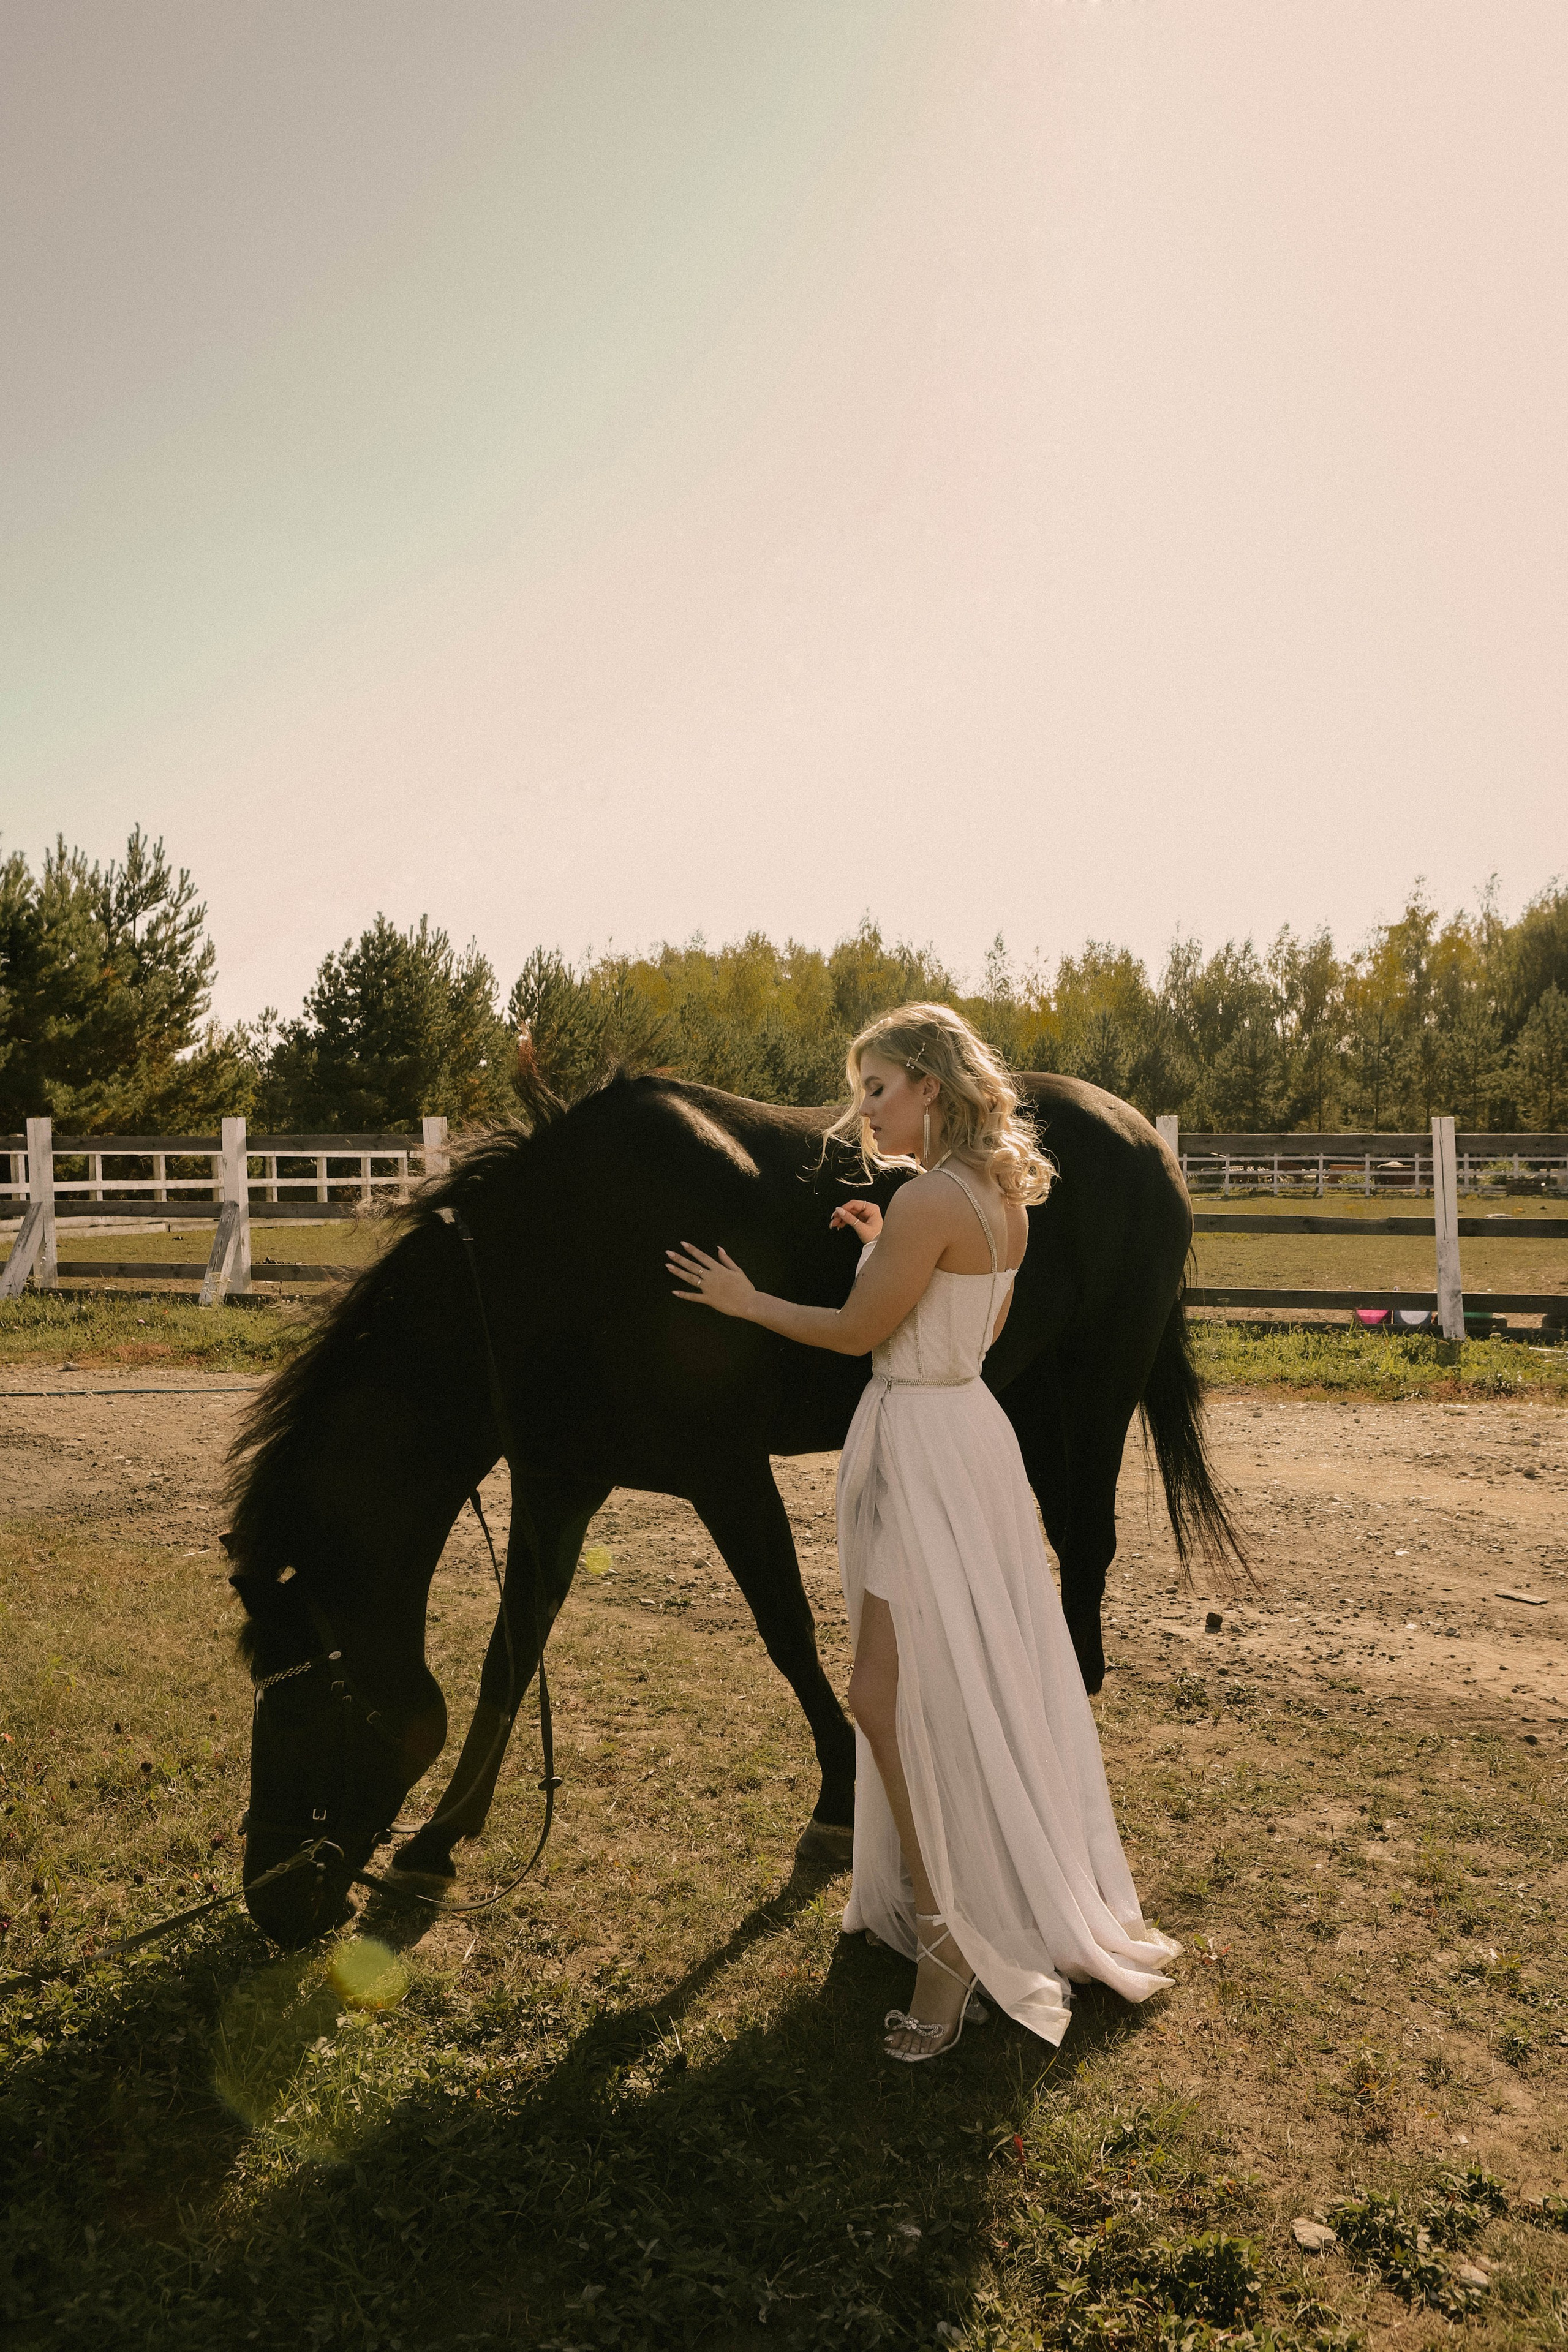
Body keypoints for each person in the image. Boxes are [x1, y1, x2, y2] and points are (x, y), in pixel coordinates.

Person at [666, 1001, 1177, 2062]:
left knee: (884, 1696)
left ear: (929, 1088)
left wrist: (745, 1301)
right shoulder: (995, 1195)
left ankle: (949, 1937)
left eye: (878, 1089)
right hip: (965, 1434)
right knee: (941, 1686)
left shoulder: (930, 1199)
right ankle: (961, 1898)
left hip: (920, 1447)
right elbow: (962, 1321)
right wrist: (882, 1245)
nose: (866, 1113)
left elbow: (862, 1336)